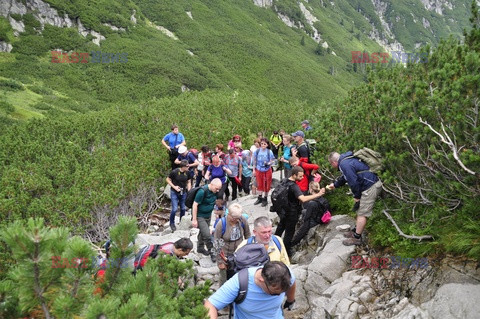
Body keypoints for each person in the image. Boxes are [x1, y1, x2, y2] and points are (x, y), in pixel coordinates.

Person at [204, 261, 296, 319]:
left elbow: (292, 282)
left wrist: (290, 300)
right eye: (275, 293)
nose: (280, 294)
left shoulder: (285, 275)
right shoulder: (239, 282)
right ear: (262, 280)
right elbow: (210, 304)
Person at [327, 151, 383, 246]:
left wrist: (357, 196)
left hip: (370, 186)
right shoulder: (347, 160)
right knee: (360, 210)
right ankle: (355, 230)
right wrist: (335, 184)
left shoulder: (344, 164)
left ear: (333, 162)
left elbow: (353, 182)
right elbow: (345, 177)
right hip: (371, 183)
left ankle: (357, 238)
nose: (332, 166)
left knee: (362, 213)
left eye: (331, 164)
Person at [274, 166, 325, 257]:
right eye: (300, 176)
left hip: (283, 211)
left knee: (280, 228)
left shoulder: (284, 181)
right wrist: (318, 194)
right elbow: (303, 199)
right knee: (289, 233)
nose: (302, 178)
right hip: (292, 213)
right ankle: (286, 250)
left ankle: (273, 244)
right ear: (294, 175)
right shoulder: (294, 186)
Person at [213, 203, 251, 284]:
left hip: (239, 253)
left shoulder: (242, 220)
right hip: (225, 255)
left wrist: (249, 251)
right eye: (234, 218)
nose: (237, 220)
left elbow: (248, 235)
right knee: (224, 278)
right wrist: (220, 262)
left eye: (238, 218)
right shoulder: (221, 224)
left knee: (239, 277)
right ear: (229, 214)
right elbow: (216, 243)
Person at [192, 178, 223, 261]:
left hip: (208, 215)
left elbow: (215, 202)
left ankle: (200, 248)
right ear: (212, 184)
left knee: (203, 233)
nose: (217, 191)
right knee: (207, 235)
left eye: (219, 189)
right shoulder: (202, 191)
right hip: (200, 216)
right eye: (216, 188)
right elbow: (195, 205)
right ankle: (212, 252)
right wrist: (194, 219)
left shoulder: (214, 192)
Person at [290, 182, 330, 246]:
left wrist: (304, 222)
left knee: (304, 225)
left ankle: (293, 243)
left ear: (311, 189)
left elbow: (307, 217)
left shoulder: (312, 203)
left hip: (315, 222)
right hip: (321, 218)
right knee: (304, 211)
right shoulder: (324, 199)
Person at [166, 160, 191, 232]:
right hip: (174, 192)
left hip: (183, 192)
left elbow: (189, 181)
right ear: (183, 167)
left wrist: (189, 190)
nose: (188, 167)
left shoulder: (188, 173)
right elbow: (167, 179)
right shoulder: (175, 172)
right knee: (174, 208)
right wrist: (174, 187)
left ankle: (181, 221)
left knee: (183, 208)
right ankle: (172, 223)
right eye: (187, 166)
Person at [252, 138, 275, 207]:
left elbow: (273, 160)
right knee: (259, 184)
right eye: (262, 143)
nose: (263, 145)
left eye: (264, 144)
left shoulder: (269, 152)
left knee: (267, 184)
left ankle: (265, 198)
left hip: (267, 170)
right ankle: (260, 197)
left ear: (267, 145)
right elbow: (254, 161)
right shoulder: (257, 151)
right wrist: (253, 170)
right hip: (259, 170)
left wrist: (268, 163)